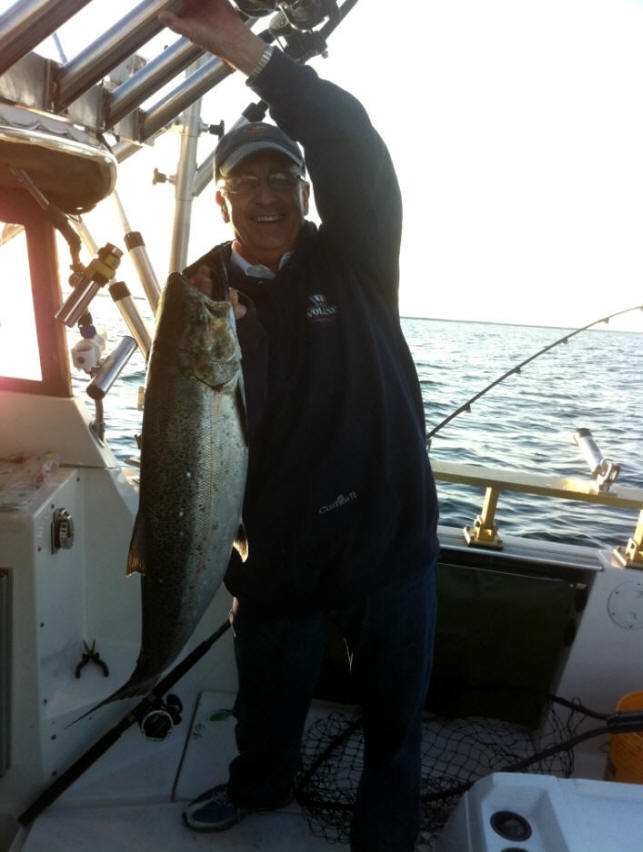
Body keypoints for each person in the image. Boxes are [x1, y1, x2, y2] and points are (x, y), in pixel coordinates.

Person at [159, 3, 440, 850]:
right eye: (246, 182)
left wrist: (248, 54)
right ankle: (258, 786)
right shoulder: (200, 293)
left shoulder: (355, 255)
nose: (266, 194)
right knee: (267, 700)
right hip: (277, 553)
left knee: (395, 714)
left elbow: (350, 139)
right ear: (222, 201)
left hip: (388, 538)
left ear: (306, 193)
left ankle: (384, 830)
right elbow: (178, 426)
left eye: (281, 178)